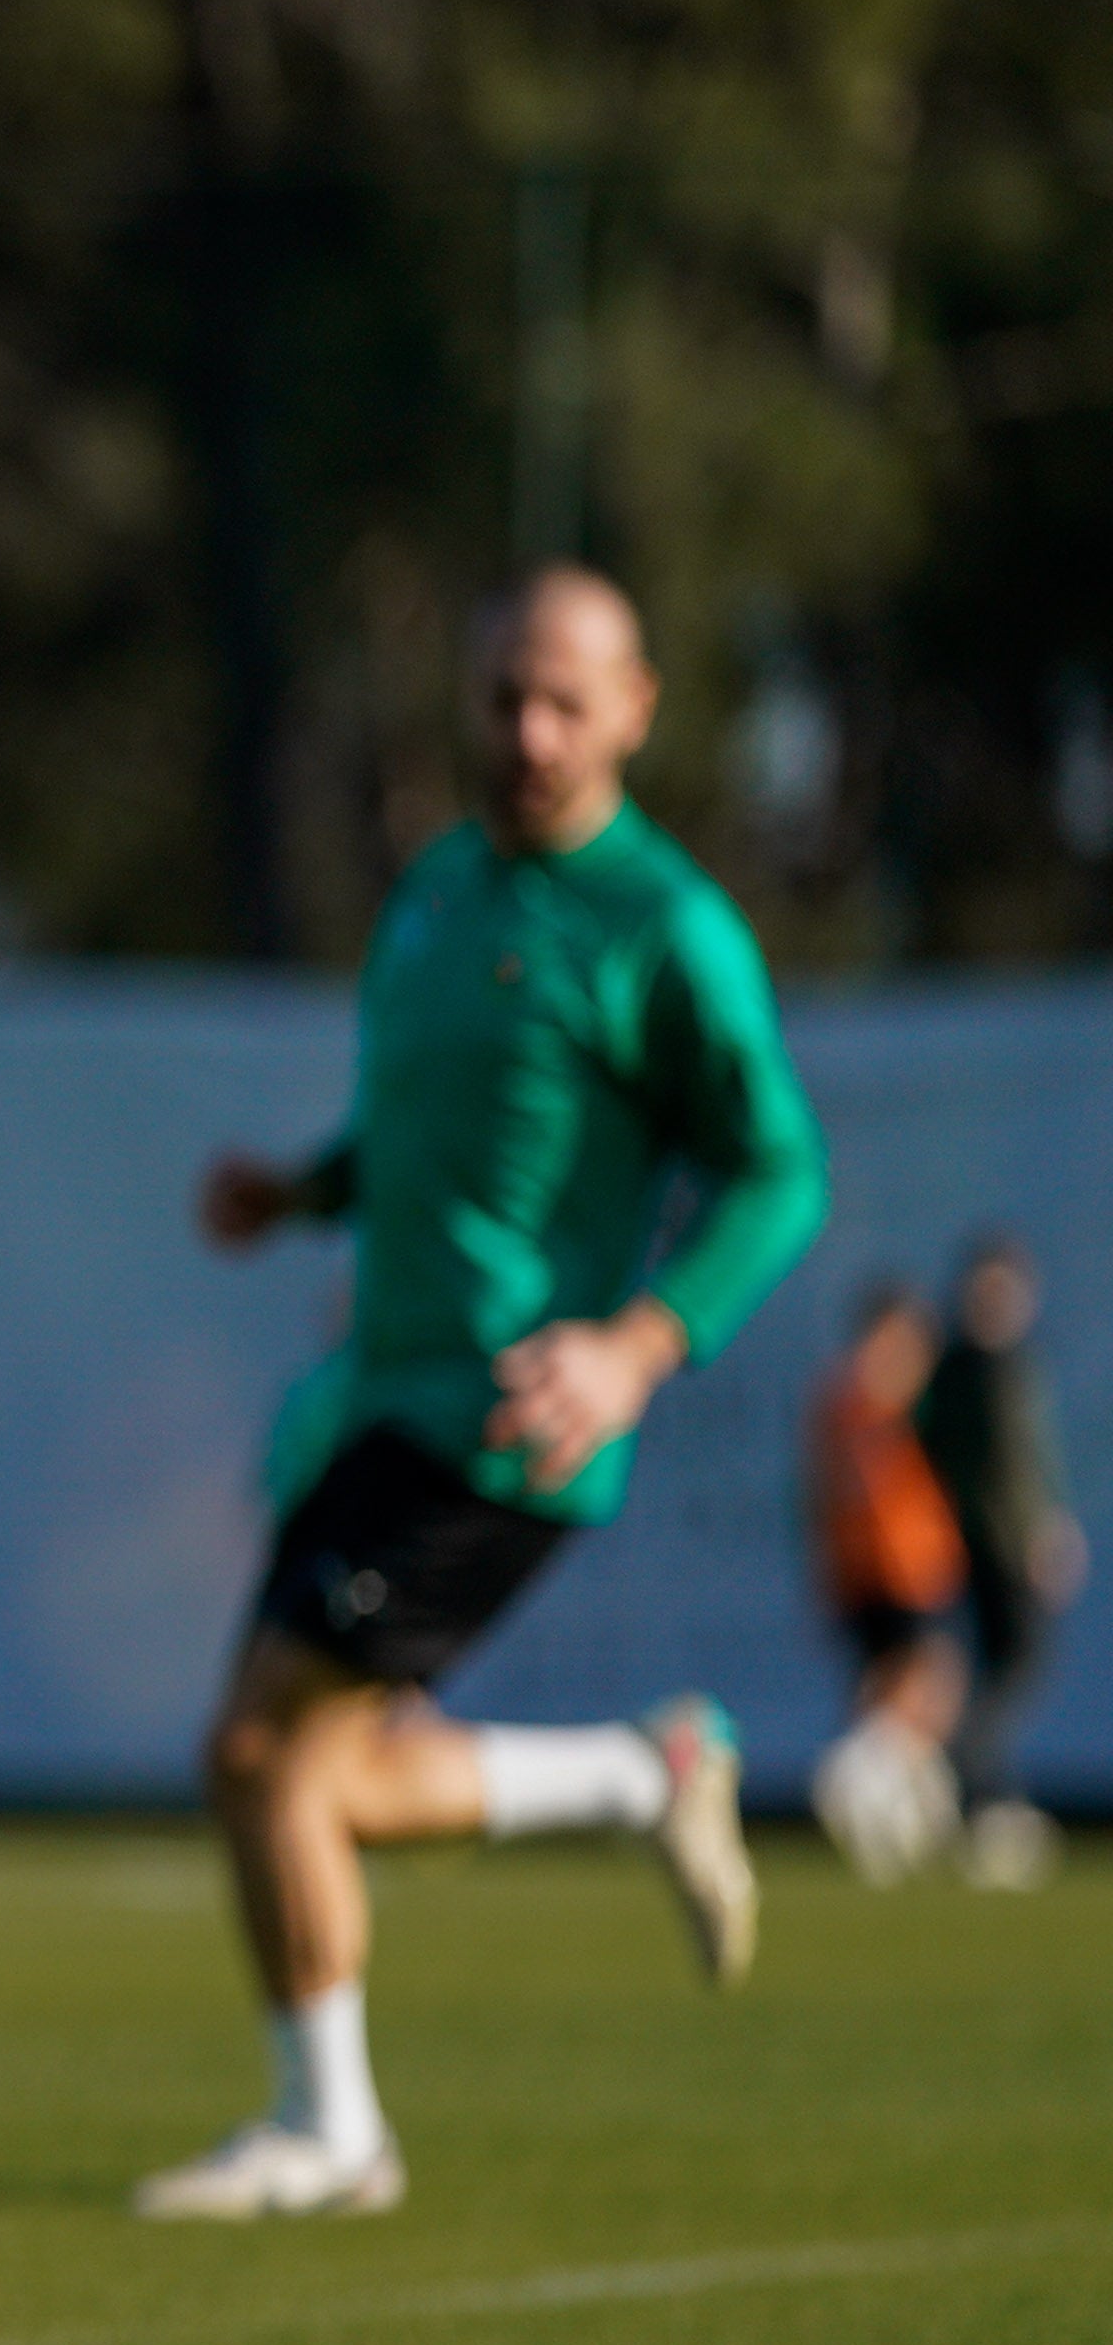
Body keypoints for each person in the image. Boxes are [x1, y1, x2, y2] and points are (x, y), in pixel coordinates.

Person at [168, 564, 825, 2222]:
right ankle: (643, 1774)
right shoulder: (440, 888)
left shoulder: (667, 927)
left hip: (508, 1417)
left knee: (259, 1745)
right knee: (313, 1774)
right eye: (503, 698)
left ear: (635, 710)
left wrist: (637, 1346)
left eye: (565, 701)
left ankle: (330, 2132)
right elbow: (424, 1130)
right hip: (376, 1397)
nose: (530, 732)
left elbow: (778, 1174)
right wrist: (303, 1193)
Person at [919, 1230, 1078, 1889]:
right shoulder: (964, 1370)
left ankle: (975, 1787)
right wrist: (1029, 1536)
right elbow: (988, 1472)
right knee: (1004, 1667)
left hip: (1009, 1542)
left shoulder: (1013, 1365)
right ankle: (973, 1790)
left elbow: (1034, 1464)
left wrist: (1051, 1523)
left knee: (1007, 1669)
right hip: (987, 1549)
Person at [800, 1281, 969, 1881]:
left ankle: (896, 1814)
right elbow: (847, 1489)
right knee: (923, 1685)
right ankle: (854, 1777)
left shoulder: (847, 1398)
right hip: (900, 1563)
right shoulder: (869, 1400)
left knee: (892, 1687)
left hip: (876, 1564)